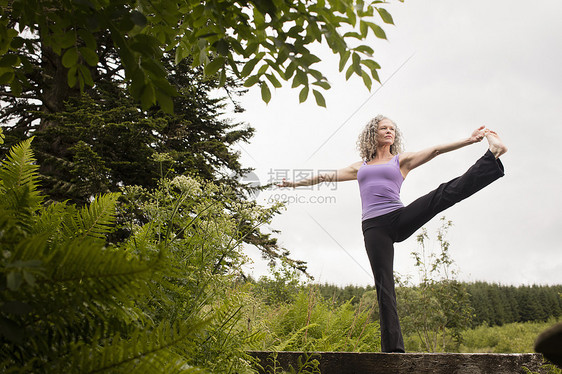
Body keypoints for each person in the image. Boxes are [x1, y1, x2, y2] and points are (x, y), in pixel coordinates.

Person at [278, 115, 507, 353]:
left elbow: (437, 150)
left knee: (442, 195)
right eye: (384, 128)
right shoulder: (360, 167)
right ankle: (393, 352)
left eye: (392, 129)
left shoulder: (401, 161)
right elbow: (325, 177)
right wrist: (294, 184)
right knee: (384, 285)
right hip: (374, 228)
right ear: (372, 134)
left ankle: (492, 157)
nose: (389, 131)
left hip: (399, 218)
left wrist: (469, 140)